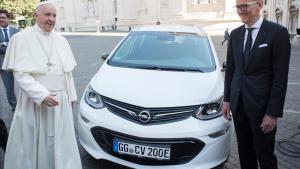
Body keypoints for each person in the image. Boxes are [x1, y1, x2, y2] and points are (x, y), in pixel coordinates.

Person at [2, 2, 82, 169]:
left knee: (60, 142)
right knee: (34, 144)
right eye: (47, 15)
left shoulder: (62, 40)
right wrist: (41, 94)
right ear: (36, 15)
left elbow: (67, 72)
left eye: (54, 15)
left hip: (60, 100)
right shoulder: (20, 38)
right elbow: (20, 74)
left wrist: (72, 95)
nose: (51, 19)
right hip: (34, 101)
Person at [222, 0, 291, 169]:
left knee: (265, 155)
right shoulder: (236, 34)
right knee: (245, 154)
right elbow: (231, 70)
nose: (240, 11)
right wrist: (227, 100)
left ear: (260, 5)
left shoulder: (277, 33)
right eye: (237, 7)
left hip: (262, 110)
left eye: (244, 6)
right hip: (238, 106)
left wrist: (272, 114)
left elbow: (280, 78)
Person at [0, 9, 19, 111]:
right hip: (4, 65)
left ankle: (26, 105)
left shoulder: (16, 31)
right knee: (9, 88)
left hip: (18, 63)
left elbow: (21, 46)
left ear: (8, 18)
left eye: (3, 17)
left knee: (24, 84)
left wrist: (4, 45)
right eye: (0, 18)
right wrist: (11, 47)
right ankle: (15, 107)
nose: (1, 19)